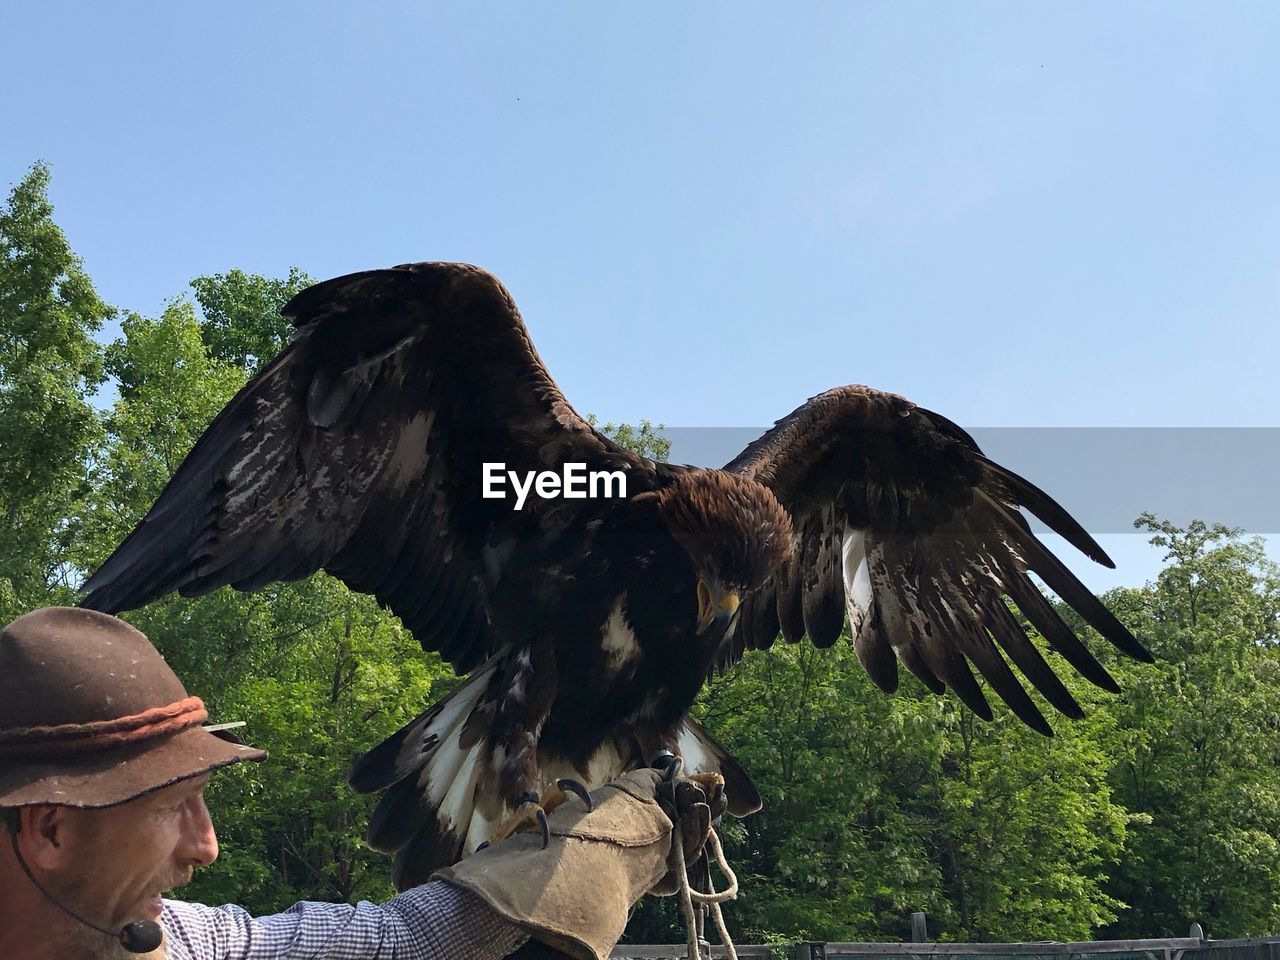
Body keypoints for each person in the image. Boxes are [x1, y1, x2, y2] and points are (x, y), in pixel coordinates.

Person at [0, 608, 722, 960]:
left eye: (202, 800)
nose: (207, 845)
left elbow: (389, 942)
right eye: (170, 805)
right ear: (51, 829)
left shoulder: (181, 945)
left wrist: (579, 854)